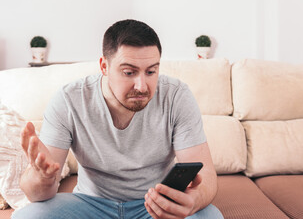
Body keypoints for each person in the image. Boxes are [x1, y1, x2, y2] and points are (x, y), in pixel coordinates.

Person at [13, 19, 223, 219]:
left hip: (156, 206)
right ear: (104, 67)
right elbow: (37, 195)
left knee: (210, 215)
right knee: (27, 216)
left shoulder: (177, 96)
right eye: (129, 72)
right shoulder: (69, 100)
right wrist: (42, 178)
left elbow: (206, 180)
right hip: (90, 204)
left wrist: (193, 201)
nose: (142, 86)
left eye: (151, 71)